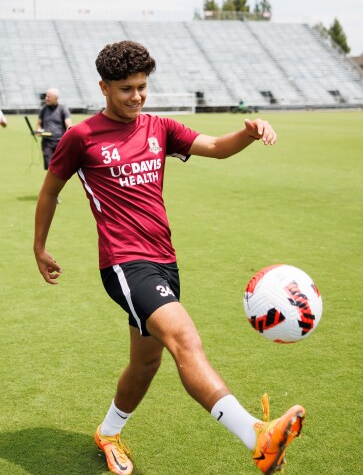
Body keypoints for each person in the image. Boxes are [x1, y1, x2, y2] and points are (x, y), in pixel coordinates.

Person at [33, 40, 305, 475]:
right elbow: (50, 190)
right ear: (103, 87)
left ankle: (107, 433)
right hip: (123, 264)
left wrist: (248, 134)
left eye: (142, 87)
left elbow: (215, 146)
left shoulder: (158, 127)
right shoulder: (81, 137)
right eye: (126, 89)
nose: (137, 97)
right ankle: (258, 435)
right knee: (185, 341)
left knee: (146, 362)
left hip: (164, 260)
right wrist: (39, 247)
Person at [35, 87, 73, 170]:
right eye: (46, 96)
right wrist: (38, 131)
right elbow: (38, 125)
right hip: (46, 143)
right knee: (50, 168)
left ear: (56, 98)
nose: (46, 99)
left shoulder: (63, 109)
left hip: (60, 143)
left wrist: (67, 139)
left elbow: (69, 126)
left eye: (49, 97)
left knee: (61, 168)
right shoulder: (43, 109)